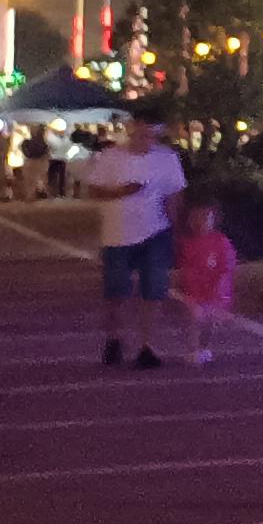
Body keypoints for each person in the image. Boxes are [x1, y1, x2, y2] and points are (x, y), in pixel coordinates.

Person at [78, 111, 186, 367]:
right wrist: (121, 192)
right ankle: (114, 338)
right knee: (116, 292)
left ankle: (147, 345)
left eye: (150, 134)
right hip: (117, 235)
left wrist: (176, 230)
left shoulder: (167, 159)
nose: (144, 139)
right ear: (130, 130)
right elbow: (93, 192)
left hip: (156, 231)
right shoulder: (110, 157)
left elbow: (174, 195)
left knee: (154, 290)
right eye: (140, 133)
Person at [169, 193, 238, 364]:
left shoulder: (221, 242)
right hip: (192, 291)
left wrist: (221, 289)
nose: (200, 222)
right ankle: (193, 349)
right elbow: (180, 267)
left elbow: (226, 267)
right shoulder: (185, 243)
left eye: (205, 217)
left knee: (209, 324)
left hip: (214, 292)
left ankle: (204, 347)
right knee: (193, 320)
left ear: (214, 220)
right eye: (195, 217)